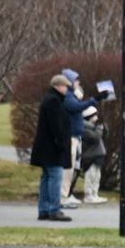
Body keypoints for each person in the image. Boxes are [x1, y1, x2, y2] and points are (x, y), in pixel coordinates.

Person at [30, 74, 73, 222]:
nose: (66, 89)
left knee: (46, 179)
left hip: (45, 148)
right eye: (65, 86)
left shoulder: (49, 99)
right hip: (52, 149)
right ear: (58, 86)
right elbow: (56, 126)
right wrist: (61, 144)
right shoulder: (54, 101)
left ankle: (43, 210)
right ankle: (54, 210)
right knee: (55, 178)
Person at [60, 69, 105, 207]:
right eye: (76, 80)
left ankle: (66, 195)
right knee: (68, 170)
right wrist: (94, 99)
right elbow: (77, 107)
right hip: (71, 137)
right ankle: (62, 197)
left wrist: (79, 95)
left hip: (75, 136)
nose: (78, 83)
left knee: (72, 169)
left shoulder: (71, 95)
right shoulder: (68, 97)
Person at [79, 106, 107, 206]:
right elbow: (95, 137)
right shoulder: (84, 128)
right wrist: (99, 129)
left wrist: (103, 128)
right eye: (94, 115)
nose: (97, 118)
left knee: (97, 176)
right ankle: (88, 195)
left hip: (98, 154)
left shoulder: (95, 127)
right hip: (90, 156)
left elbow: (101, 136)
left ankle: (95, 194)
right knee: (90, 176)